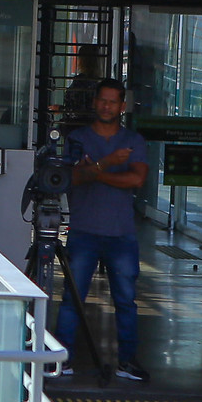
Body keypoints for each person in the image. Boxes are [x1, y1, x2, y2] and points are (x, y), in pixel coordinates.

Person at [61, 79, 150, 381]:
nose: (107, 106)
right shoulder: (77, 138)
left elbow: (136, 180)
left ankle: (127, 361)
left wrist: (95, 171)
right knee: (73, 298)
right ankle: (62, 360)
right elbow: (69, 178)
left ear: (122, 106)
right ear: (94, 101)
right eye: (102, 100)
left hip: (121, 234)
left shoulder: (134, 141)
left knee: (125, 300)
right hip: (83, 231)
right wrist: (109, 165)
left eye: (113, 102)